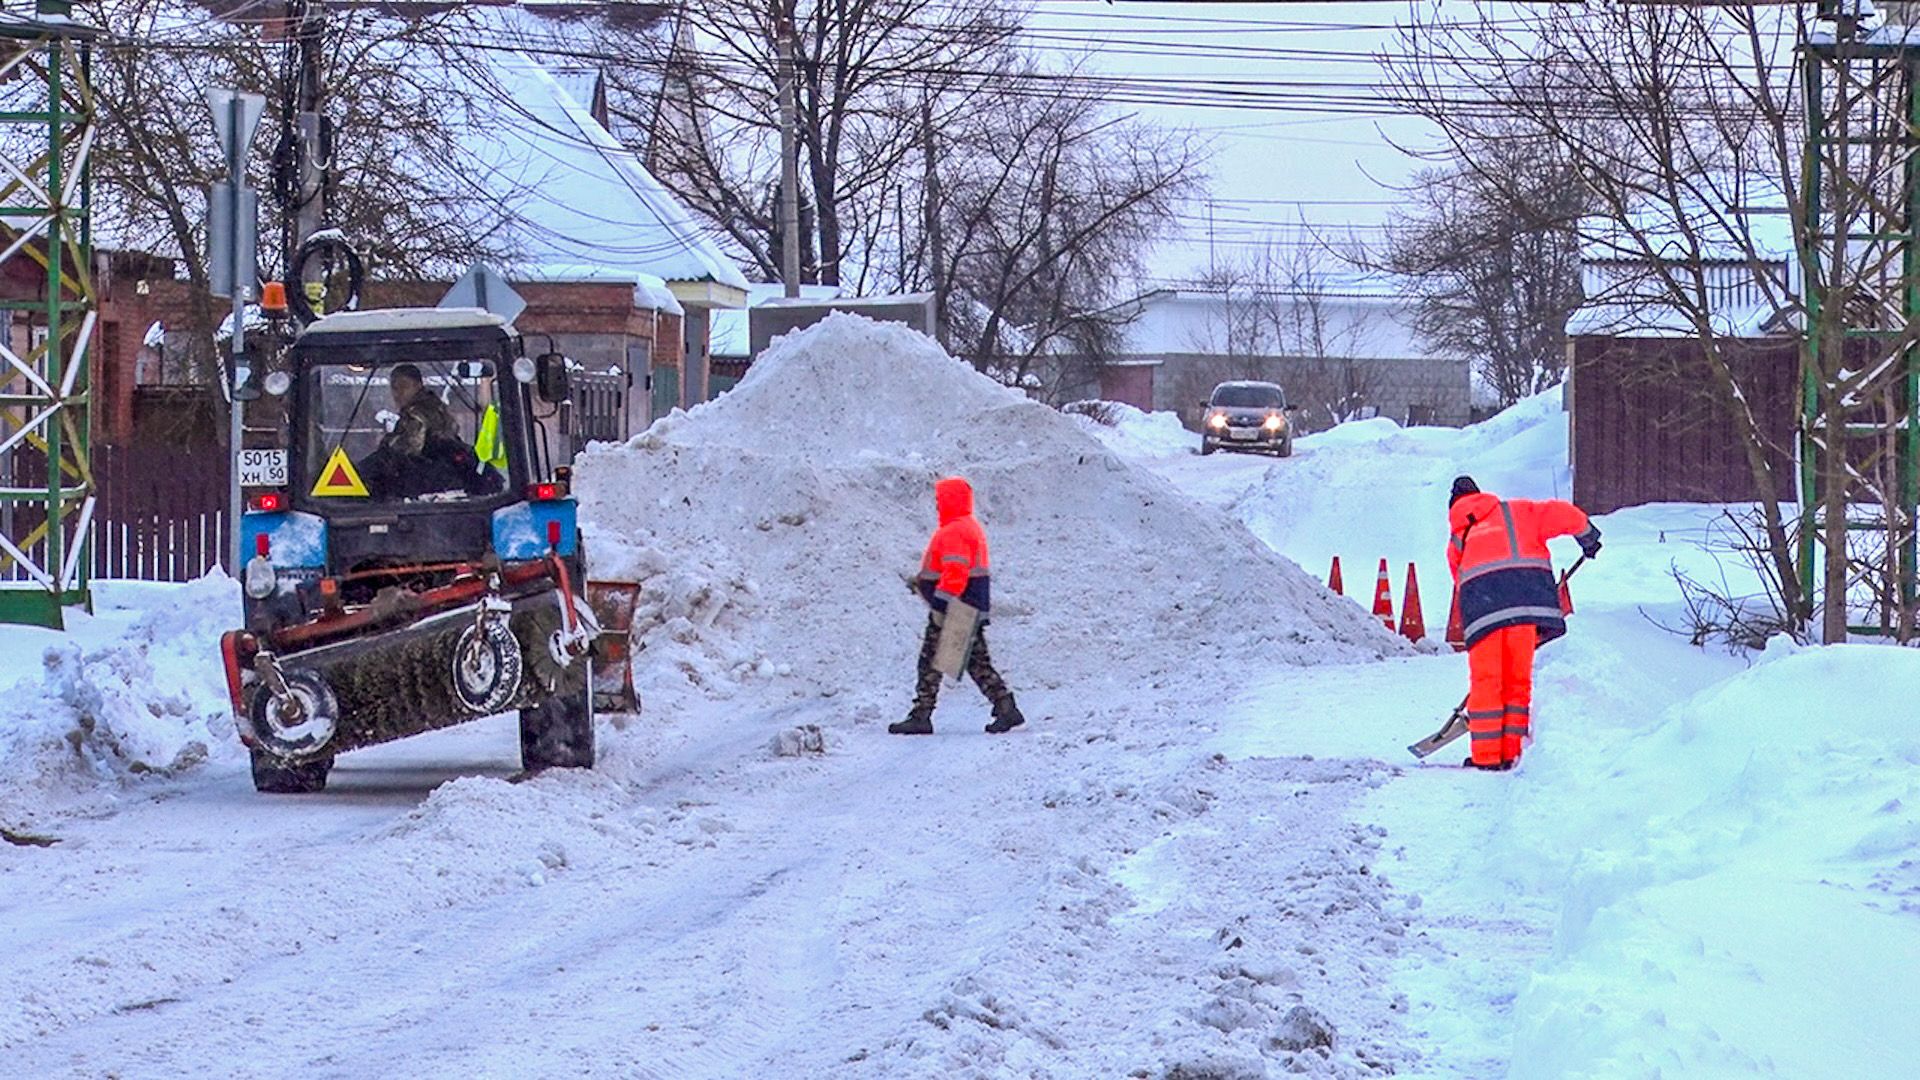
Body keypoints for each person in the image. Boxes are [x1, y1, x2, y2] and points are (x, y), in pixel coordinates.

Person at [1446, 475, 1601, 771]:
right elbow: (1564, 514)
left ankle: (1487, 757)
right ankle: (1512, 751)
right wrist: (1588, 537)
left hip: (1484, 613)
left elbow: (1460, 583)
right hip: (1526, 605)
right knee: (1517, 680)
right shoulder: (1518, 511)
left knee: (1487, 682)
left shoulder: (1457, 540)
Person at [890, 476, 1027, 736]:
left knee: (930, 661)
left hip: (955, 607)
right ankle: (1006, 707)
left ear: (951, 500)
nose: (938, 505)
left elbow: (955, 572)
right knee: (976, 662)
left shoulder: (955, 530)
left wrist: (941, 605)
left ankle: (922, 715)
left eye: (940, 500)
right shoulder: (965, 527)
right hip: (965, 606)